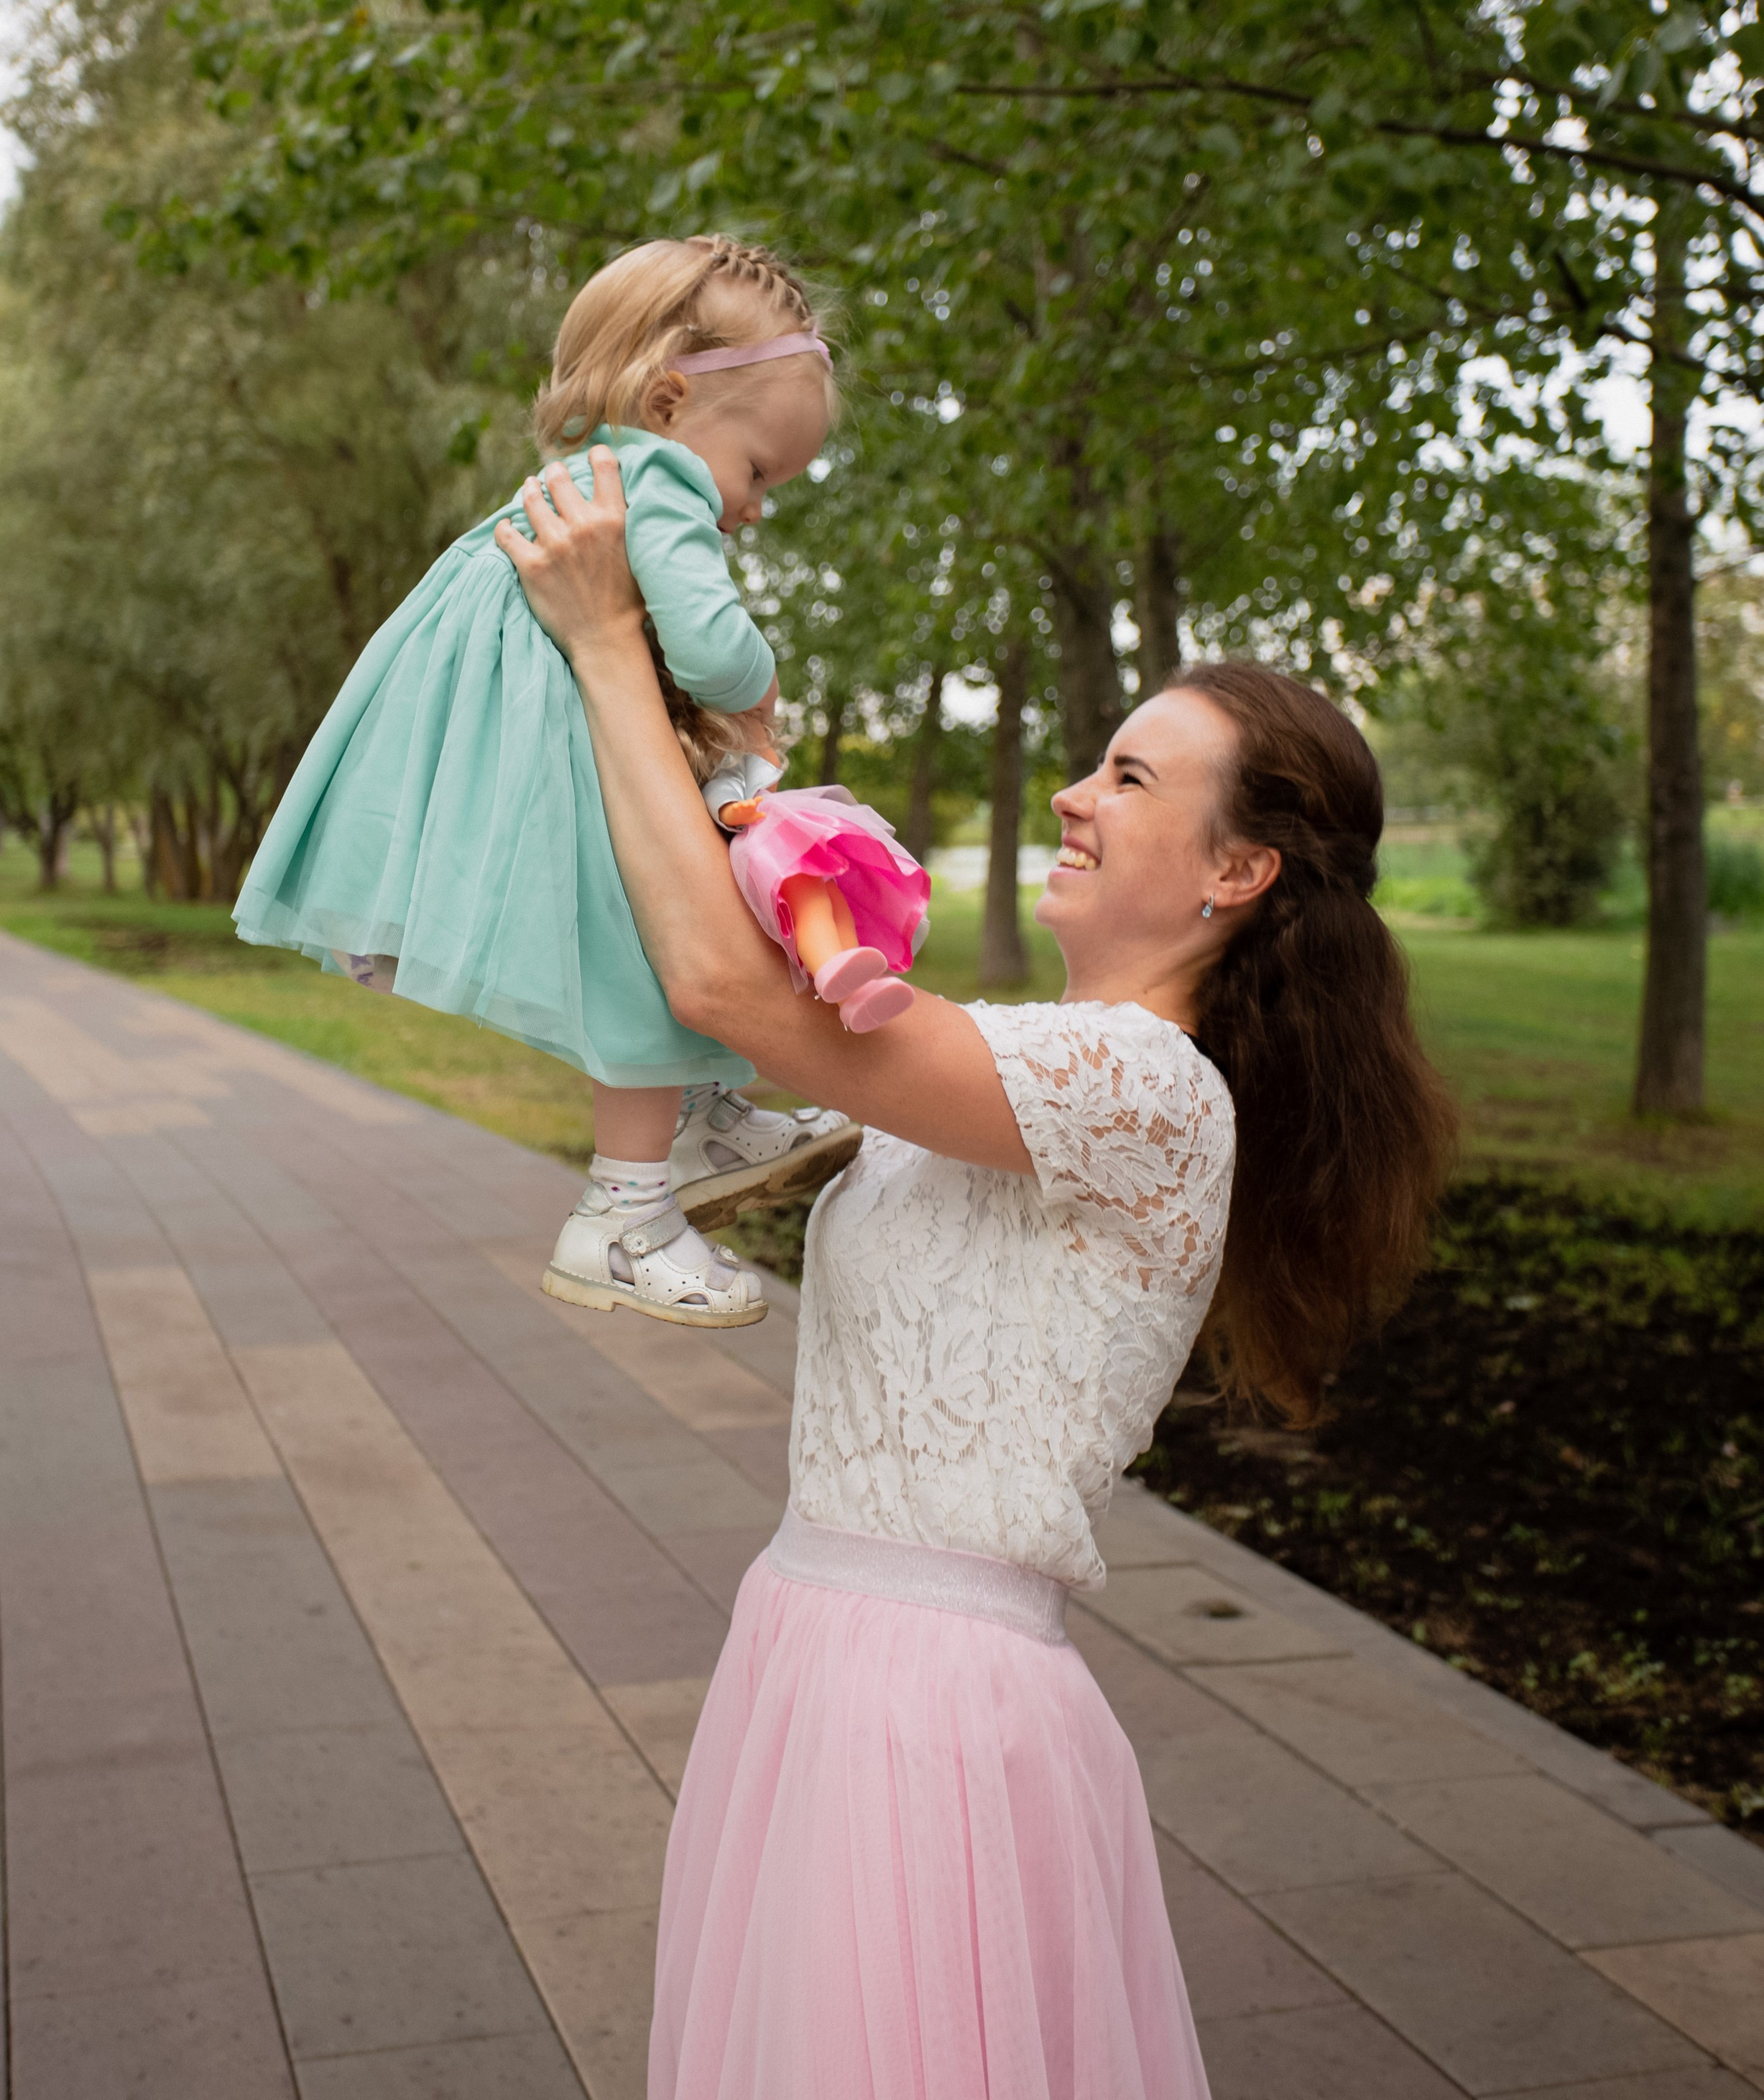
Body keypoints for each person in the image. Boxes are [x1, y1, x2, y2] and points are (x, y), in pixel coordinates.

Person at [497, 448, 1458, 2100]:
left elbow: (726, 986)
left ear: (1237, 874)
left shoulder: (1149, 1090)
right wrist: (713, 762)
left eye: (1131, 778)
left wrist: (598, 639)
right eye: (1097, 763)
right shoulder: (1028, 1059)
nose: (1077, 796)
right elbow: (739, 988)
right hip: (810, 1649)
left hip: (924, 1710)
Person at [235, 233, 871, 1331]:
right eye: (760, 471)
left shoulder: (590, 478)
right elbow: (716, 654)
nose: (757, 506)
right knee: (642, 941)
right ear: (672, 400)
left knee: (699, 901)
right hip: (556, 748)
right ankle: (623, 1216)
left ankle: (706, 1113)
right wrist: (760, 681)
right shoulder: (659, 477)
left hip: (510, 733)